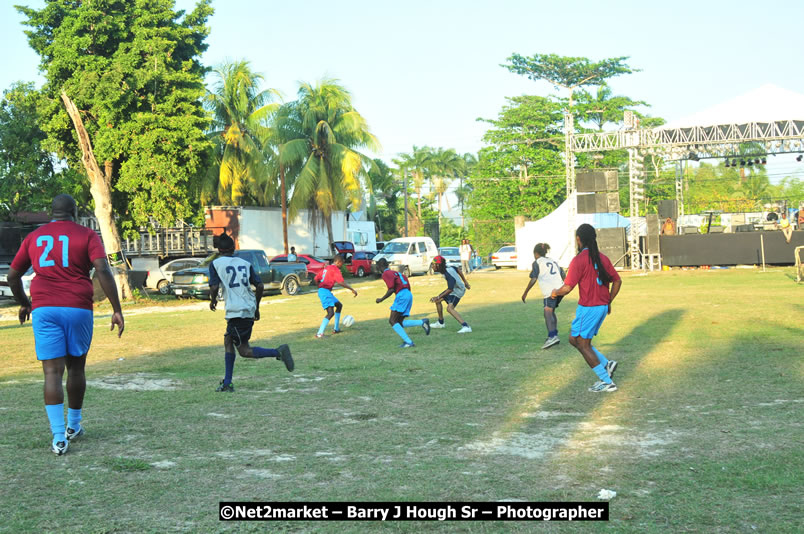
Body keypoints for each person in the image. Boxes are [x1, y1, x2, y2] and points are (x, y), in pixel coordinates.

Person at [7, 194, 125, 456]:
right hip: (77, 307)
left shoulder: (34, 237)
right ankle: (74, 425)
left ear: (52, 212)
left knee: (52, 373)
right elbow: (103, 270)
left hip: (44, 308)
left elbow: (13, 276)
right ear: (74, 212)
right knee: (76, 368)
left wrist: (25, 303)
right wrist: (117, 309)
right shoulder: (87, 235)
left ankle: (59, 437)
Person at [209, 233, 293, 392]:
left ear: (219, 250)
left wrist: (213, 300)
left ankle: (278, 352)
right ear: (234, 248)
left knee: (244, 350)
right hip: (247, 308)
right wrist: (256, 307)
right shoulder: (245, 263)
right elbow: (259, 286)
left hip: (236, 311)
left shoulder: (216, 263)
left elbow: (214, 287)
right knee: (228, 340)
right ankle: (227, 383)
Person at [551, 224, 622, 393]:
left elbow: (567, 288)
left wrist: (555, 293)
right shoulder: (603, 258)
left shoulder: (579, 260)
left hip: (589, 307)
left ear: (578, 239)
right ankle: (606, 364)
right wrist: (608, 301)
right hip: (600, 307)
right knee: (573, 339)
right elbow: (617, 281)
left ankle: (607, 381)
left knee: (583, 344)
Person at [375, 258, 430, 348]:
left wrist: (381, 299)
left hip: (402, 295)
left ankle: (408, 342)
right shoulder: (396, 273)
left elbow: (391, 289)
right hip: (408, 294)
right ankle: (422, 322)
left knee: (392, 321)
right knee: (399, 322)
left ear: (380, 266)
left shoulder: (386, 273)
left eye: (377, 266)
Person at [521, 243, 565, 349]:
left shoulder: (537, 262)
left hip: (550, 291)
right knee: (551, 311)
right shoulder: (552, 261)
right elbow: (563, 274)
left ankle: (552, 336)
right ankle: (554, 334)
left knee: (547, 312)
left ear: (536, 253)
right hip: (560, 289)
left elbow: (534, 278)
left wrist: (525, 292)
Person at [313, 254, 357, 338]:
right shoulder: (335, 269)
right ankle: (319, 333)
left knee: (339, 305)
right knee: (330, 313)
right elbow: (341, 282)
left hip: (325, 291)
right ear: (338, 262)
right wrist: (352, 289)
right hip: (325, 292)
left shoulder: (327, 268)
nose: (342, 266)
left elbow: (316, 278)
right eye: (342, 264)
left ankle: (336, 329)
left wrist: (320, 287)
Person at [429, 255, 472, 333]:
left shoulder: (447, 274)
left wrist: (438, 296)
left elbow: (450, 289)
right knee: (438, 301)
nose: (432, 266)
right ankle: (440, 323)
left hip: (458, 290)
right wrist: (465, 282)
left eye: (433, 264)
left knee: (449, 308)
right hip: (454, 289)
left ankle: (466, 326)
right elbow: (458, 269)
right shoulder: (448, 268)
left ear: (438, 265)